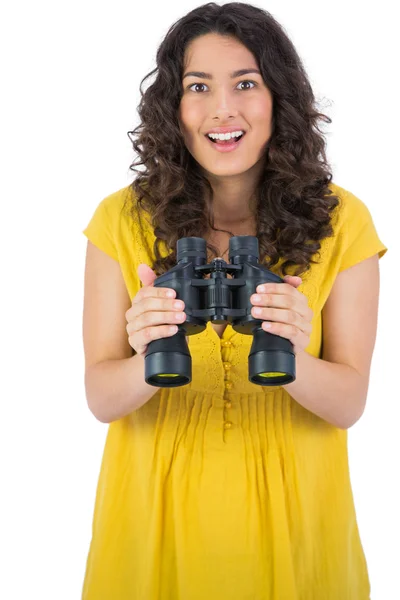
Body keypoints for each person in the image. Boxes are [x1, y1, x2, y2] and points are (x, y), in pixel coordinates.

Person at [81, 3, 388, 598]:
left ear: (280, 98)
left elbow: (349, 403)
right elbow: (100, 397)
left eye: (246, 83)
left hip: (298, 530)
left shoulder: (343, 220)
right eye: (199, 87)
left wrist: (292, 351)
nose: (223, 108)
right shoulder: (120, 219)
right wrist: (149, 350)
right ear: (175, 106)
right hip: (151, 526)